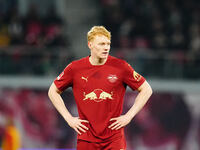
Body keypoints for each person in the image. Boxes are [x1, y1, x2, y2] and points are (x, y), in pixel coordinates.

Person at [48, 26, 152, 150]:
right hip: (86, 139)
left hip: (114, 138)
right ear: (90, 45)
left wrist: (128, 116)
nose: (106, 47)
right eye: (101, 44)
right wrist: (69, 118)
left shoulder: (121, 67)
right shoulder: (75, 68)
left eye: (108, 44)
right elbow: (52, 91)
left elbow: (146, 89)